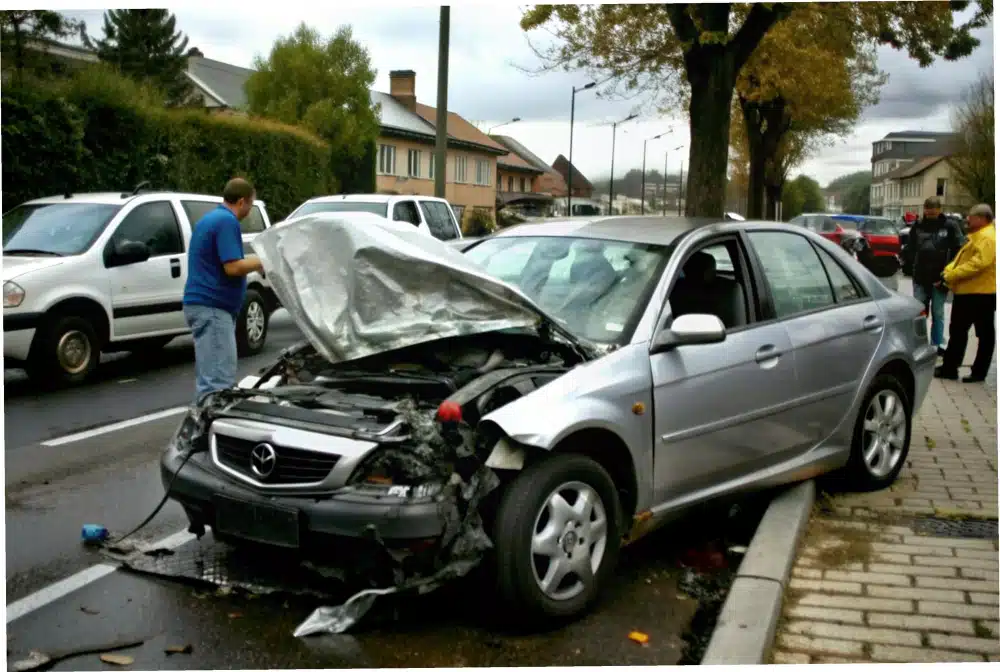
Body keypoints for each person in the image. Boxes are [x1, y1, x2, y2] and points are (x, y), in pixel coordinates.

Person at [183, 177, 264, 403]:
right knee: (218, 384)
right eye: (250, 204)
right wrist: (263, 261)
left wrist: (256, 262)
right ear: (241, 202)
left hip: (203, 305)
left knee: (210, 377)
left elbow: (230, 260)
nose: (249, 210)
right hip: (213, 307)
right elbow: (233, 266)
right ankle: (209, 433)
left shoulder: (211, 219)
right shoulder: (227, 222)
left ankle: (204, 426)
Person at [936, 204, 997, 383]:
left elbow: (979, 264)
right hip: (970, 291)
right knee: (960, 331)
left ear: (982, 218)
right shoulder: (977, 237)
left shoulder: (987, 238)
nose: (967, 220)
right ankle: (951, 367)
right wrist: (947, 272)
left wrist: (951, 275)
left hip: (979, 293)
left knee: (980, 333)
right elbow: (962, 260)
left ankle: (975, 371)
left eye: (970, 217)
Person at [909, 196, 965, 356]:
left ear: (939, 209)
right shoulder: (918, 226)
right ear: (924, 209)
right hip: (920, 276)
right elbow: (911, 248)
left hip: (941, 277)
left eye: (933, 210)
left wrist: (950, 273)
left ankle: (937, 343)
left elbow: (959, 251)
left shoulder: (950, 226)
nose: (930, 213)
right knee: (919, 312)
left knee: (938, 312)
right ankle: (918, 343)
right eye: (928, 210)